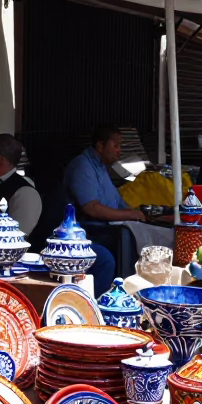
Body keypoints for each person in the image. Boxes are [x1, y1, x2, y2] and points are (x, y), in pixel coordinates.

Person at [62, 124, 144, 295]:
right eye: (115, 145)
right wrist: (129, 214)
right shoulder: (82, 166)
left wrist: (137, 213)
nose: (119, 150)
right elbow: (91, 208)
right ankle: (121, 294)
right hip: (88, 230)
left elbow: (117, 201)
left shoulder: (101, 167)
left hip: (106, 227)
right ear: (100, 146)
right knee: (125, 237)